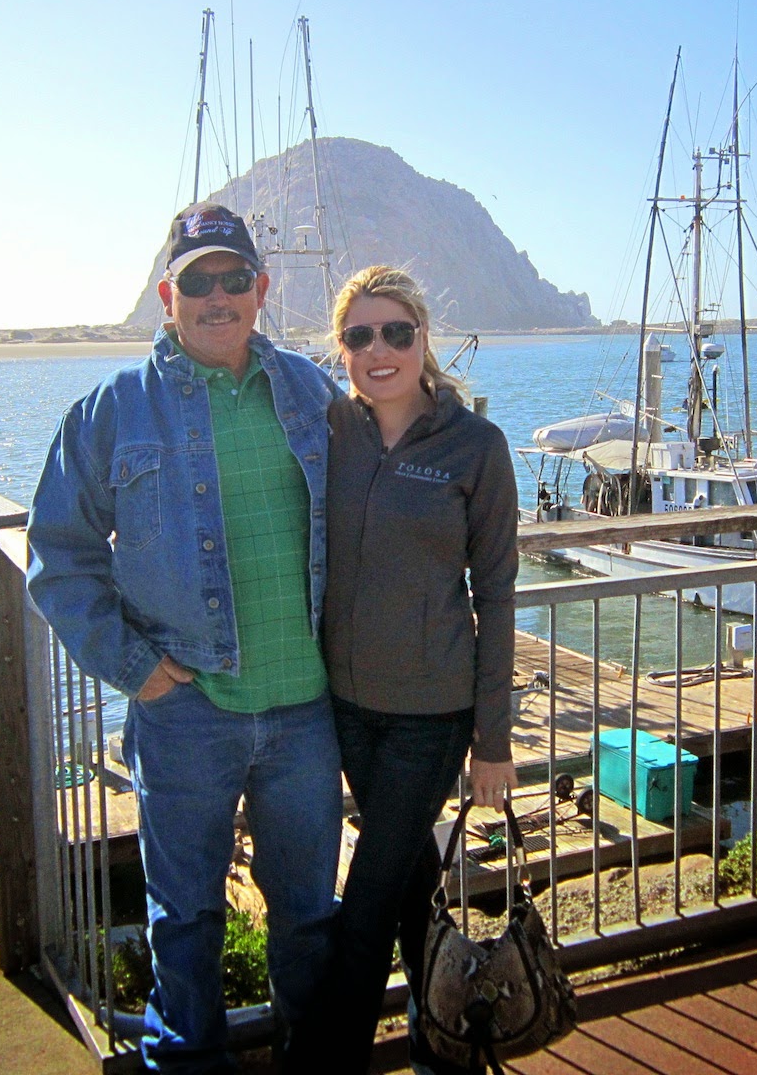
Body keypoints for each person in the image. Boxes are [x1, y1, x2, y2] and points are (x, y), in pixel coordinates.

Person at [26, 202, 343, 1075]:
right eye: (196, 281)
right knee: (187, 917)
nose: (216, 296)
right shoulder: (110, 412)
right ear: (167, 295)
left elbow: (377, 510)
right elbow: (58, 559)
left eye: (232, 278)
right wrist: (141, 671)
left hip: (305, 714)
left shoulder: (314, 393)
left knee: (310, 912)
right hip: (185, 713)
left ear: (260, 290)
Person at [322, 266, 519, 1074]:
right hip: (343, 708)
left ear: (423, 339)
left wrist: (493, 740)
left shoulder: (475, 446)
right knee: (407, 888)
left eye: (396, 332)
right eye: (360, 335)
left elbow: (499, 592)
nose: (380, 350)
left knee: (364, 907)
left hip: (431, 716)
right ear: (341, 349)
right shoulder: (330, 429)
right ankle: (452, 1047)